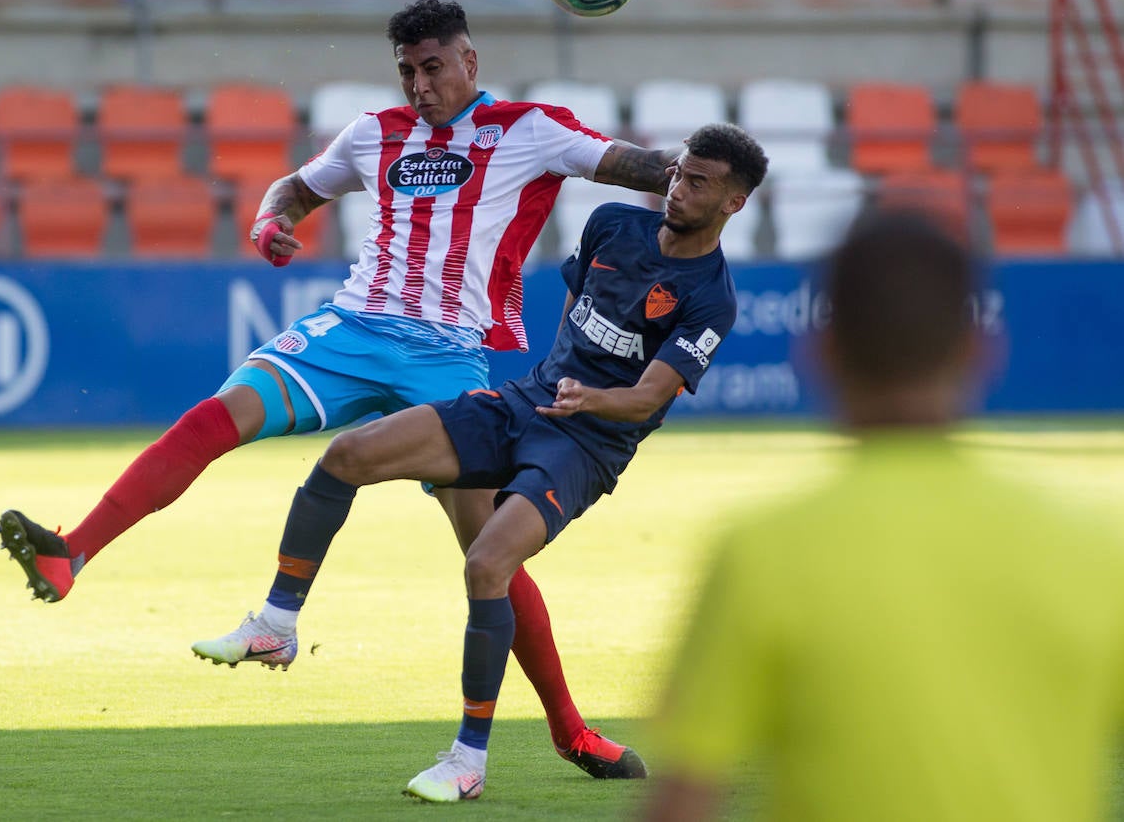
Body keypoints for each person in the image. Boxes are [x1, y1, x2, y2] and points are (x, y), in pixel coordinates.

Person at [0, 0, 678, 778]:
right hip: (350, 332)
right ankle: (71, 556)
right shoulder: (372, 134)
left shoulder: (530, 130)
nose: (419, 85)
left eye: (432, 67)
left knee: (490, 555)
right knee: (213, 419)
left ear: (469, 62)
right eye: (407, 71)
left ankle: (571, 732)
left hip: (448, 355)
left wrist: (703, 168)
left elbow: (645, 170)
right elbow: (292, 189)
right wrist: (268, 222)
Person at [194, 122, 769, 802]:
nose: (678, 188)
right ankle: (277, 625)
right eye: (678, 173)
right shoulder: (614, 224)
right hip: (527, 400)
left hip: (586, 446)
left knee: (487, 563)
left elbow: (647, 398)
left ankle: (467, 760)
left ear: (734, 203)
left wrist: (591, 400)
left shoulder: (711, 297)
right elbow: (580, 307)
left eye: (699, 183)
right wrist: (555, 380)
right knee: (347, 455)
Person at [643, 211, 1124, 822]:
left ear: (820, 352)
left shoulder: (765, 552)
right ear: (982, 349)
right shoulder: (1090, 546)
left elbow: (682, 802)